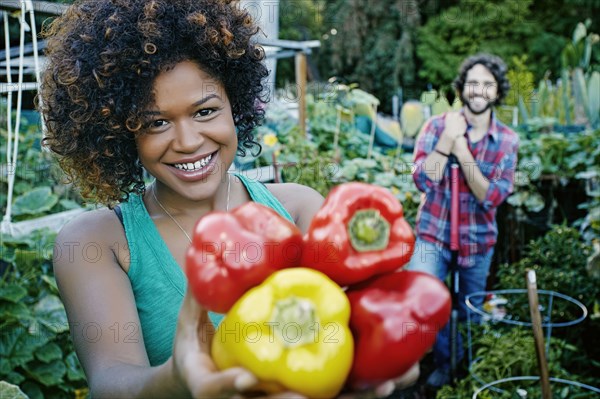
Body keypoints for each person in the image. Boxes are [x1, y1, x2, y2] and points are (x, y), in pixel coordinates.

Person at [40, 0, 418, 397]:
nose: (188, 142)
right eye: (156, 122)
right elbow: (110, 382)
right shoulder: (95, 243)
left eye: (205, 112)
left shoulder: (301, 209)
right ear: (119, 131)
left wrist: (374, 357)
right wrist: (176, 379)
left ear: (235, 105)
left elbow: (355, 329)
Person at [407, 53, 519, 388]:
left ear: (497, 92)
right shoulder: (437, 126)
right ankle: (443, 363)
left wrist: (464, 152)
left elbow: (492, 196)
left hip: (477, 239)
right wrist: (447, 142)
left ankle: (470, 372)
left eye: (487, 84)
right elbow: (423, 181)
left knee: (471, 311)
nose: (479, 90)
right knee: (426, 298)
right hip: (434, 234)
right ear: (462, 88)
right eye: (473, 83)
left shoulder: (507, 141)